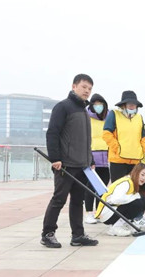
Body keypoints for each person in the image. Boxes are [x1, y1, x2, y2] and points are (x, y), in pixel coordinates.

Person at [41, 73, 98, 248]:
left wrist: (91, 159)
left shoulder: (83, 110)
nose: (87, 91)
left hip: (82, 165)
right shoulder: (63, 107)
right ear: (74, 86)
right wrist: (55, 158)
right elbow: (52, 133)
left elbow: (85, 139)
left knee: (77, 201)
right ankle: (48, 234)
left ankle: (78, 235)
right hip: (65, 164)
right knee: (59, 199)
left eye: (89, 89)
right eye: (84, 87)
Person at [96, 163, 145, 237]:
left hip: (112, 211)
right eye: (142, 174)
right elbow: (115, 200)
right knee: (137, 201)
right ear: (136, 172)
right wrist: (134, 197)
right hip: (107, 214)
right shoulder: (126, 183)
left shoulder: (132, 183)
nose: (144, 178)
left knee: (143, 196)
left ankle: (126, 223)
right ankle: (116, 227)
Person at [103, 91, 145, 182]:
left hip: (135, 160)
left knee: (133, 190)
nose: (132, 106)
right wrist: (117, 148)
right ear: (123, 105)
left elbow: (143, 137)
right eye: (129, 104)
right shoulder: (114, 114)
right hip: (118, 161)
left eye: (134, 104)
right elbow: (106, 134)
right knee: (118, 189)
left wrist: (143, 149)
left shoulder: (139, 117)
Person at [84, 93, 110, 224]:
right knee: (91, 186)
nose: (98, 106)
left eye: (101, 103)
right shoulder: (87, 117)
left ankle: (99, 211)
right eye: (95, 104)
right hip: (92, 155)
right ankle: (89, 213)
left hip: (107, 156)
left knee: (103, 187)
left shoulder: (109, 117)